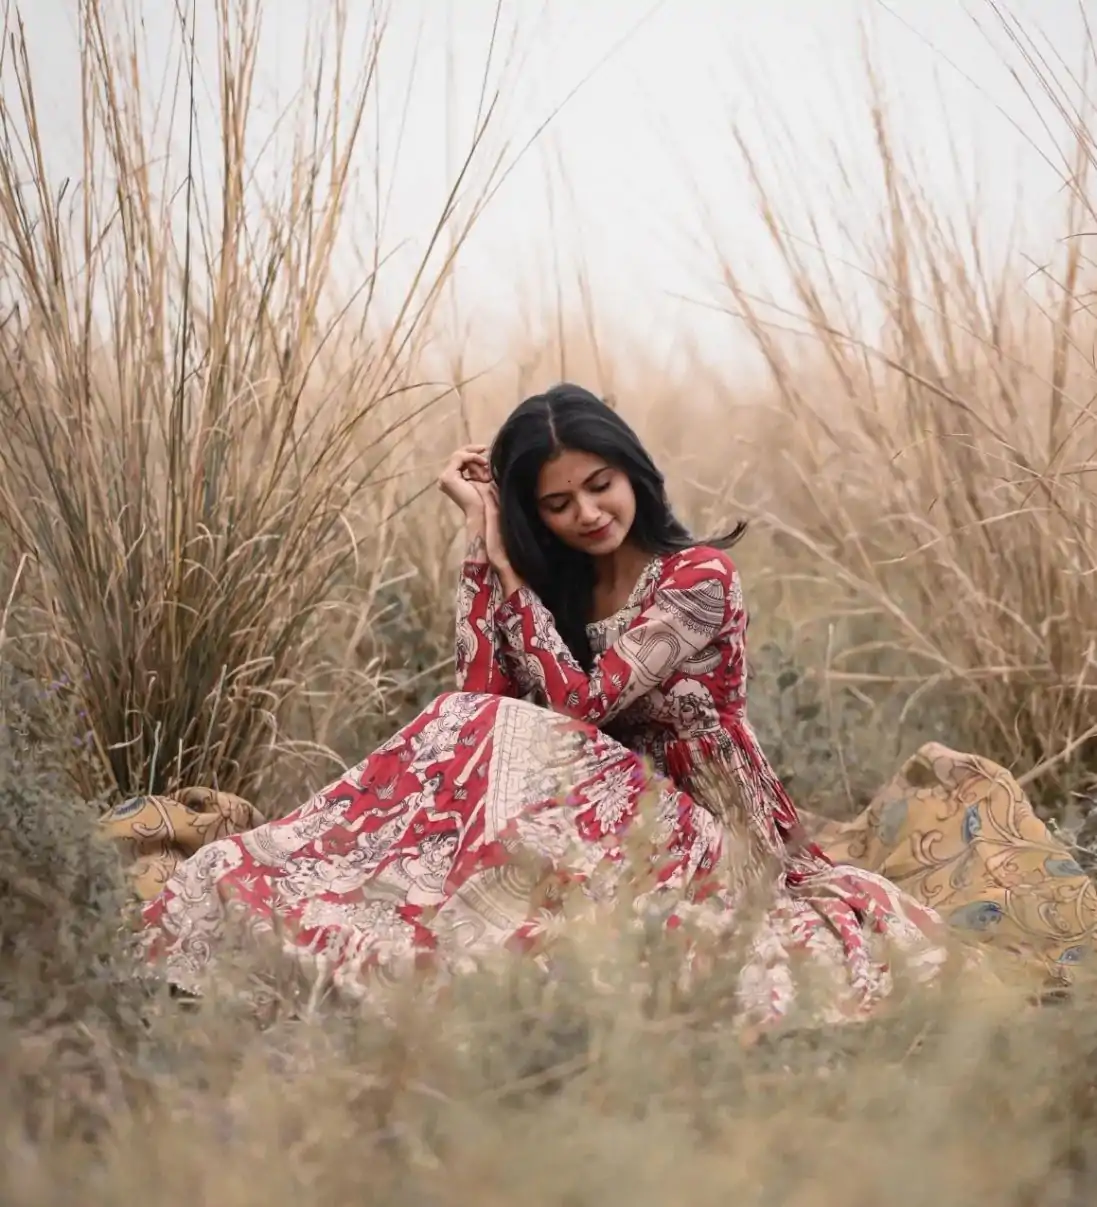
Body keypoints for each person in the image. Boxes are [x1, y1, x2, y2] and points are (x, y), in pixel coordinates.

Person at [138, 384, 950, 1029]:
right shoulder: (558, 583)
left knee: (502, 747)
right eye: (556, 504)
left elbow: (580, 704)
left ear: (633, 470)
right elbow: (479, 701)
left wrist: (510, 572)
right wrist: (481, 543)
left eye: (599, 486)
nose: (586, 514)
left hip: (711, 821)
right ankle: (329, 893)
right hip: (592, 807)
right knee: (468, 726)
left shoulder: (697, 578)